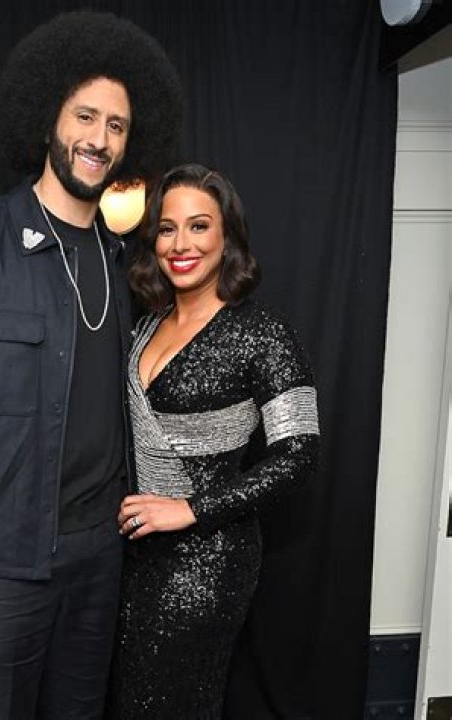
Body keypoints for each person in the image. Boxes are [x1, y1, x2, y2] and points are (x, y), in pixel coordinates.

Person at [0, 10, 183, 720]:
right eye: (85, 116)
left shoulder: (124, 263)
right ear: (48, 117)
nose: (99, 139)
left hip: (100, 558)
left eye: (116, 126)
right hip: (0, 565)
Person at [105, 164, 320, 719]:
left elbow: (299, 456)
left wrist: (191, 509)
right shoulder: (144, 325)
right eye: (167, 228)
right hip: (131, 555)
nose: (181, 244)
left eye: (199, 226)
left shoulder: (264, 333)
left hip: (207, 560)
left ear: (228, 238)